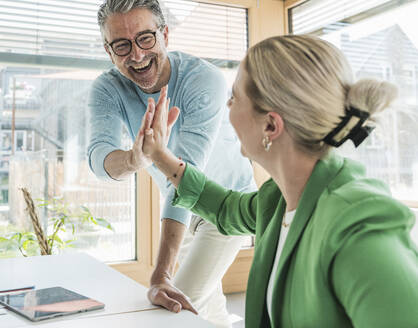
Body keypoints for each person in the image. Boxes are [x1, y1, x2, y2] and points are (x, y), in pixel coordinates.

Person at [139, 34, 418, 327]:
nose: (227, 108)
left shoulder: (356, 228)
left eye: (234, 98)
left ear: (270, 125)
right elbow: (225, 208)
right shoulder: (277, 200)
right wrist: (158, 153)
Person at [87, 1, 257, 326]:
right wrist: (133, 160)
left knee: (175, 310)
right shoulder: (107, 88)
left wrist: (161, 274)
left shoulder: (202, 79)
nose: (136, 55)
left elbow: (186, 176)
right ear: (109, 51)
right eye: (122, 45)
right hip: (180, 214)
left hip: (226, 208)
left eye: (146, 38)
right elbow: (99, 157)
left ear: (164, 34)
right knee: (209, 311)